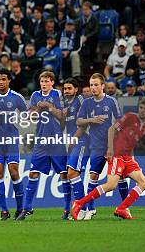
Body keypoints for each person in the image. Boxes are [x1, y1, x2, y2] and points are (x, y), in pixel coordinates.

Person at [71, 97, 145, 220]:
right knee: (111, 185)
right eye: (141, 107)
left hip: (128, 158)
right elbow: (112, 129)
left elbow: (130, 143)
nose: (142, 111)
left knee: (144, 182)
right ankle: (79, 203)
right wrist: (110, 149)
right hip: (117, 155)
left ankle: (122, 208)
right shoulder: (130, 117)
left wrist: (132, 158)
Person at [16, 71, 69, 221]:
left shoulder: (57, 94)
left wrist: (48, 106)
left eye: (46, 81)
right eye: (42, 81)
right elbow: (29, 115)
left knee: (63, 175)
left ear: (52, 82)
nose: (44, 84)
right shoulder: (35, 95)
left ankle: (67, 209)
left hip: (56, 141)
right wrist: (38, 109)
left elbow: (62, 116)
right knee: (33, 173)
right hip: (41, 141)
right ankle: (26, 208)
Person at [73, 73, 122, 220]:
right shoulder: (87, 103)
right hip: (96, 146)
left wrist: (114, 137)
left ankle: (125, 207)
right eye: (91, 85)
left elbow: (120, 121)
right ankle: (90, 208)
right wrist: (92, 120)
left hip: (113, 147)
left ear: (102, 86)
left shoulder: (111, 101)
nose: (93, 87)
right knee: (93, 176)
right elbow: (79, 121)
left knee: (122, 178)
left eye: (96, 85)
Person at [0, 69, 28, 220]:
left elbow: (26, 115)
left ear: (9, 80)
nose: (1, 82)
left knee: (13, 172)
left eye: (4, 79)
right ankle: (4, 211)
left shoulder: (17, 97)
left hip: (11, 140)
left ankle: (19, 209)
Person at [62, 78, 88, 220]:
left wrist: (73, 140)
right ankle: (82, 208)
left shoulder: (80, 100)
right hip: (72, 142)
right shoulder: (65, 104)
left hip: (81, 141)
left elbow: (83, 125)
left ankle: (82, 209)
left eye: (69, 88)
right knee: (71, 174)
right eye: (65, 89)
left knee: (72, 174)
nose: (66, 91)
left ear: (76, 89)